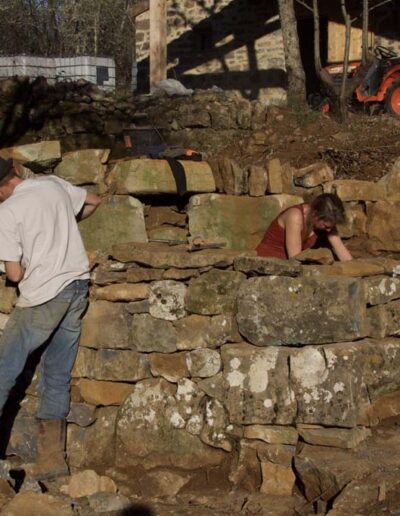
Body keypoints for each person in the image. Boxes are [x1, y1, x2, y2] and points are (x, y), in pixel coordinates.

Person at [0, 157, 101, 480]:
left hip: (43, 294)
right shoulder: (52, 184)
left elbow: (14, 274)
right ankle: (52, 463)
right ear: (15, 171)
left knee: (3, 369)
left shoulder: (8, 212)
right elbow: (93, 201)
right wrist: (63, 231)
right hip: (76, 285)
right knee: (57, 373)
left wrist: (34, 259)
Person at [256, 193, 352, 261]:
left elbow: (342, 251)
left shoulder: (323, 221)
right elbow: (295, 259)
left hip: (287, 266)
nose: (329, 230)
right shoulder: (295, 217)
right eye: (326, 226)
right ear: (315, 214)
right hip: (269, 262)